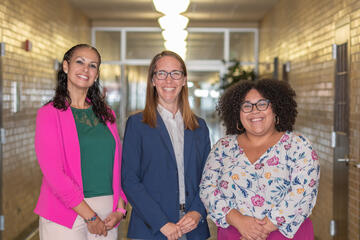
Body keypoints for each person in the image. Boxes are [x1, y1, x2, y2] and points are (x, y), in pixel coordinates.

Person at [200, 79, 320, 240]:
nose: (254, 111)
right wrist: (239, 221)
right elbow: (207, 188)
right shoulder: (223, 147)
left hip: (286, 235)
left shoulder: (298, 146)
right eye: (246, 105)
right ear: (237, 112)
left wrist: (261, 230)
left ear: (276, 108)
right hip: (235, 233)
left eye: (262, 104)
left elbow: (303, 193)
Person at [34, 44, 127, 240]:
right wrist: (89, 216)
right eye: (80, 62)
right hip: (65, 212)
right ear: (66, 67)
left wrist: (120, 207)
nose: (86, 69)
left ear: (97, 74)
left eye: (93, 65)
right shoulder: (49, 114)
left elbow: (116, 163)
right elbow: (53, 172)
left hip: (107, 212)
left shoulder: (106, 114)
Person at [121, 50, 210, 240]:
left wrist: (197, 212)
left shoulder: (199, 126)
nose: (168, 80)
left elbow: (209, 177)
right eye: (161, 73)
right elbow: (129, 179)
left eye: (175, 73)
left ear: (184, 80)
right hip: (151, 227)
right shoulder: (137, 124)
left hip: (192, 227)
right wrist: (160, 222)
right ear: (153, 80)